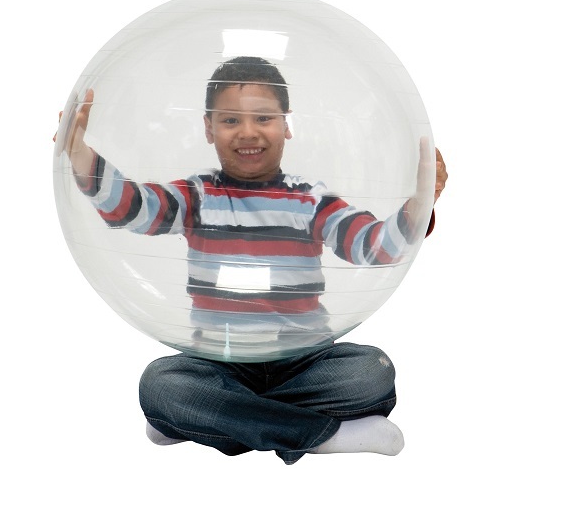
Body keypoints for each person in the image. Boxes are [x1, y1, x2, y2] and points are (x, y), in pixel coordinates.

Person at [55, 57, 448, 465]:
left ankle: (198, 419)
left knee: (372, 373)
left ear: (286, 124)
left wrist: (420, 204)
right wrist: (79, 153)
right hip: (217, 361)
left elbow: (371, 245)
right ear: (208, 128)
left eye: (263, 118)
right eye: (230, 120)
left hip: (304, 360)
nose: (248, 132)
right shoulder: (197, 196)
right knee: (159, 383)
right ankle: (319, 435)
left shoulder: (311, 200)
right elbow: (134, 207)